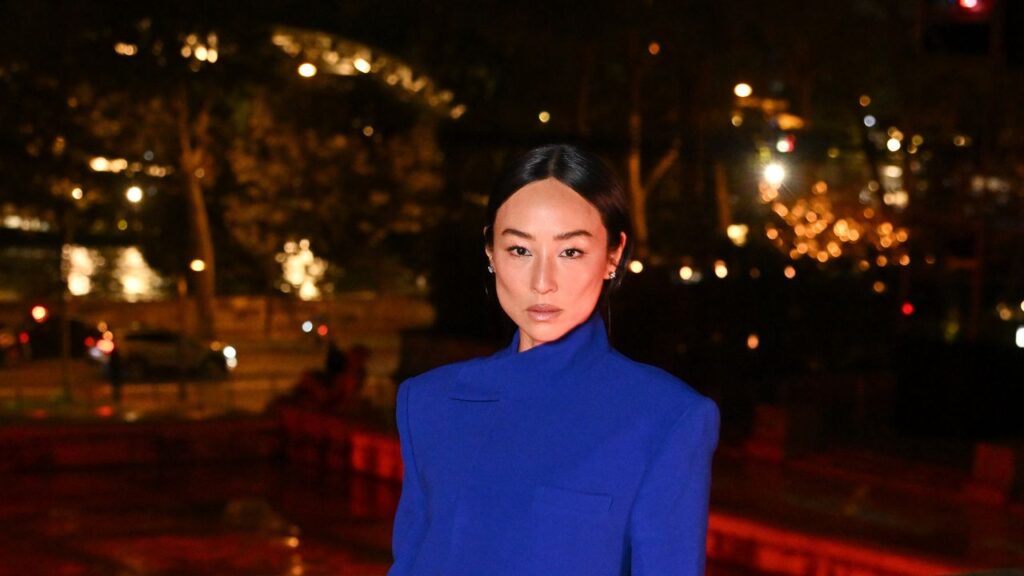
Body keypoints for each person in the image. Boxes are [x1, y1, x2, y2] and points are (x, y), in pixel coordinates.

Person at [388, 144, 719, 576]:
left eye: (571, 251)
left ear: (614, 255)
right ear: (490, 251)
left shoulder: (667, 419)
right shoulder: (428, 402)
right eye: (520, 250)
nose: (542, 282)